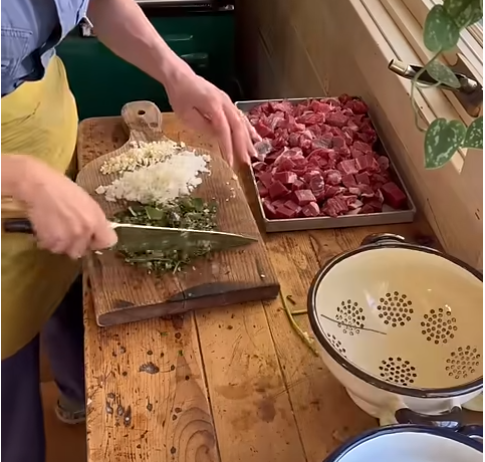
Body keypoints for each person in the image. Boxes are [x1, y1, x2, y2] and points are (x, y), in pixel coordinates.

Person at [1, 1, 257, 461]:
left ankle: (80, 401)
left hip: (43, 129)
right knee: (9, 399)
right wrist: (21, 178)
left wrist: (174, 72)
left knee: (68, 297)